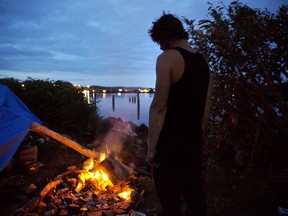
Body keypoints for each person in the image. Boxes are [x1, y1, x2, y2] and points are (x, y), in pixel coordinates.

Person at [146, 13, 211, 216]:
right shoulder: (203, 61)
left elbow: (159, 107)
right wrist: (197, 135)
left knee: (169, 199)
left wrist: (151, 148)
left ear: (164, 36)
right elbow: (206, 106)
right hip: (193, 140)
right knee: (195, 196)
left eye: (159, 41)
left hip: (170, 143)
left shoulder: (167, 58)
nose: (159, 46)